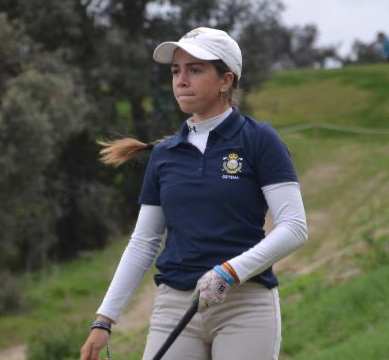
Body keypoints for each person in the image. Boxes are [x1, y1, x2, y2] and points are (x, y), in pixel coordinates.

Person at [80, 27, 308, 360]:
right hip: (175, 306)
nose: (181, 80)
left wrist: (229, 272)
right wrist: (104, 319)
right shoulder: (164, 154)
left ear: (225, 80)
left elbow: (294, 227)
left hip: (244, 305)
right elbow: (144, 242)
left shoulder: (259, 140)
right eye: (176, 71)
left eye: (195, 70)